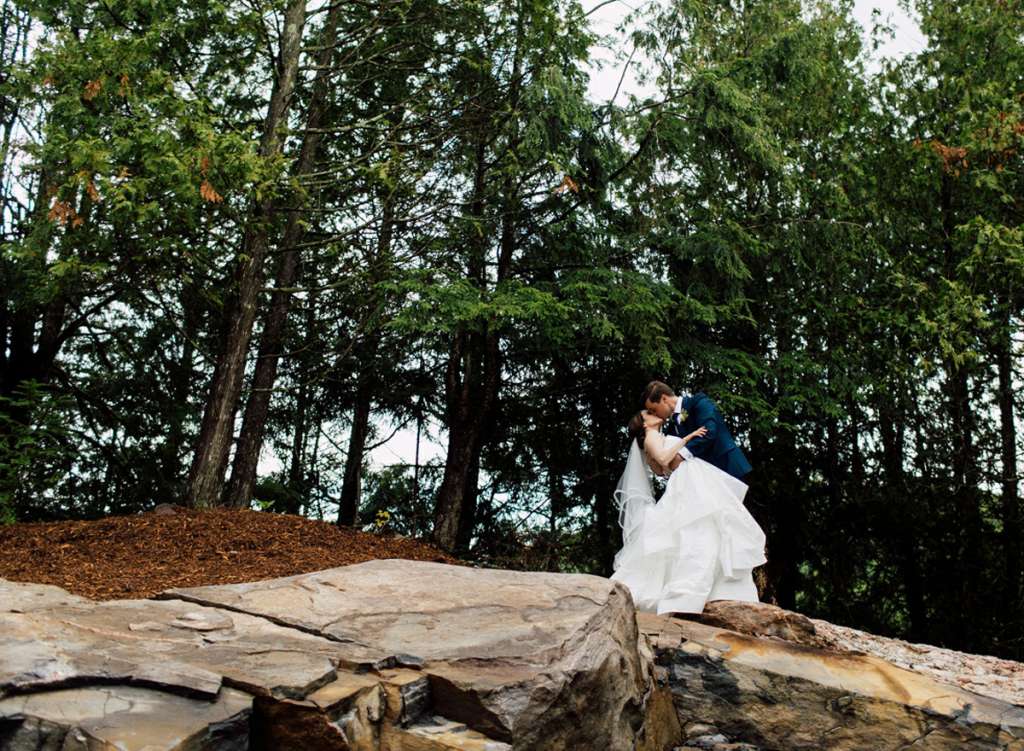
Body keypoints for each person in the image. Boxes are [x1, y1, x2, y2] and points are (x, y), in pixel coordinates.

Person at [609, 408, 766, 615]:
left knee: (702, 528)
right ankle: (697, 592)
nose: (654, 413)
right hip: (686, 481)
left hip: (687, 479)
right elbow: (663, 460)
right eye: (648, 413)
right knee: (699, 528)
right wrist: (688, 438)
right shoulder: (651, 436)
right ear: (644, 424)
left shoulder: (656, 436)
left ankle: (711, 590)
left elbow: (660, 469)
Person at [642, 381, 752, 480]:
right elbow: (667, 459)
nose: (655, 414)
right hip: (705, 478)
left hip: (727, 467)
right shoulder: (671, 428)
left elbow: (709, 432)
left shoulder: (699, 401)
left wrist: (681, 455)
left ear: (664, 399)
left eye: (654, 410)